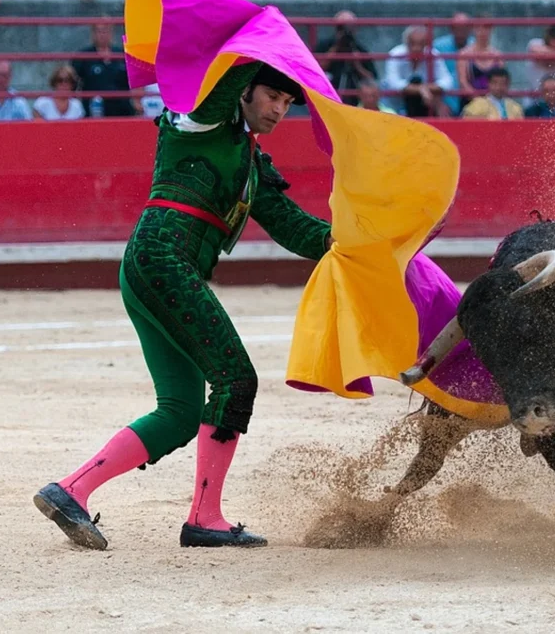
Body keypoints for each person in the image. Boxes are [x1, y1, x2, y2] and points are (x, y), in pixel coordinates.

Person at [34, 61, 336, 550]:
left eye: (287, 103)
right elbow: (227, 81)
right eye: (272, 96)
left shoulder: (249, 159)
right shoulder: (201, 115)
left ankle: (70, 492)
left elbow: (293, 227)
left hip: (156, 267)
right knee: (236, 379)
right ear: (244, 91)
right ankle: (204, 518)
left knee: (179, 411)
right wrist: (255, 49)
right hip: (163, 261)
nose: (279, 110)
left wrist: (357, 241)